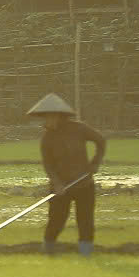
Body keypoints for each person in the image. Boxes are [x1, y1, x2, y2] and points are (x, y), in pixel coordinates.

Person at [27, 92, 107, 256]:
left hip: (83, 183)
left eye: (49, 117)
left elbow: (101, 141)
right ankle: (48, 250)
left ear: (58, 116)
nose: (46, 121)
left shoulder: (79, 129)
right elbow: (48, 165)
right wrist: (57, 183)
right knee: (57, 219)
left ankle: (86, 254)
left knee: (85, 221)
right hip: (61, 186)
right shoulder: (47, 139)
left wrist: (95, 163)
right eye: (44, 118)